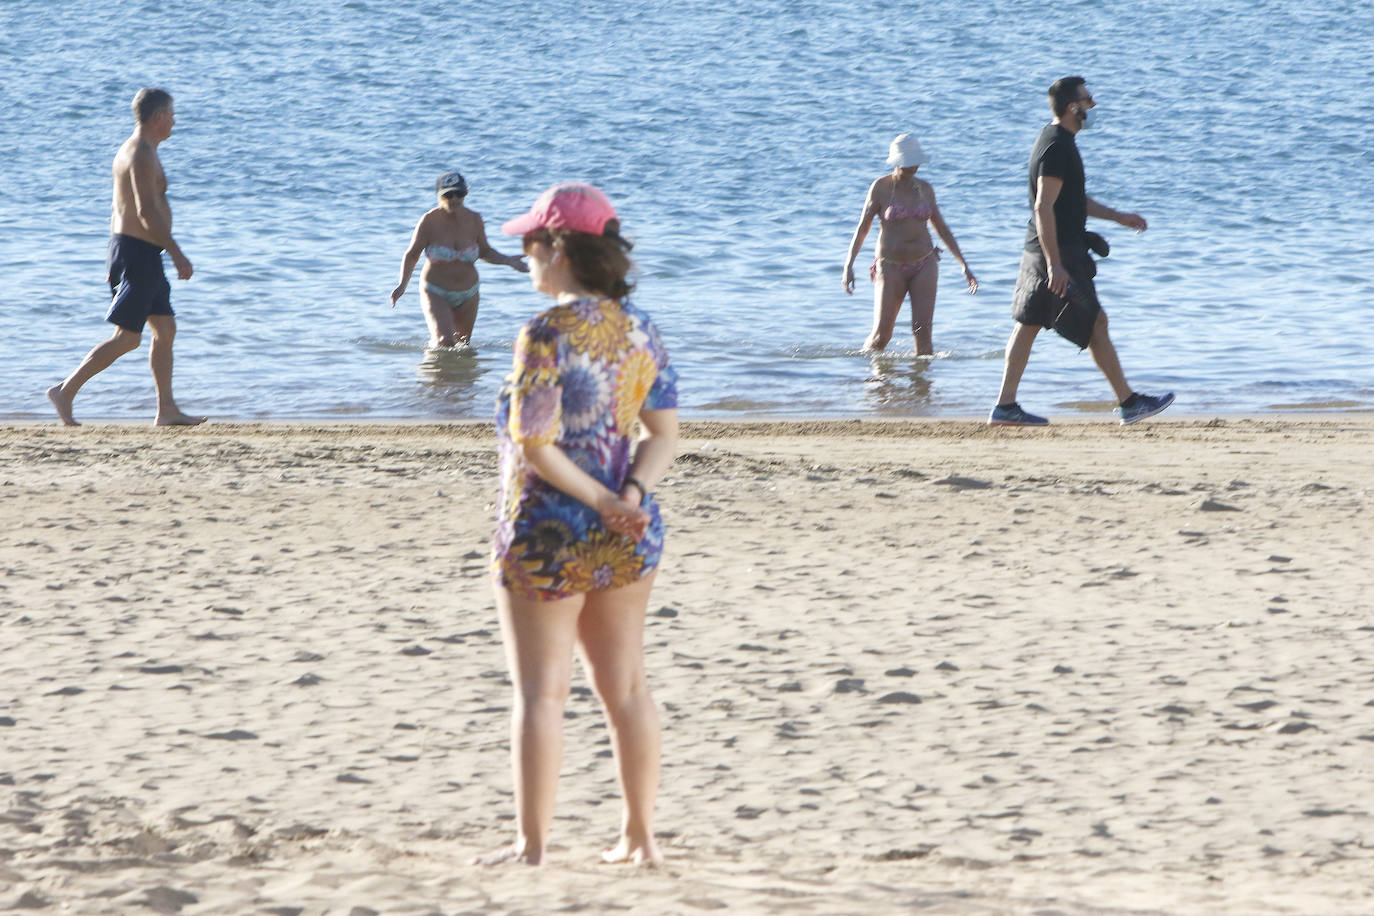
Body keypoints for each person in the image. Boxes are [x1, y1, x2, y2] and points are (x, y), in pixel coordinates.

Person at [480, 182, 679, 867]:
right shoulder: (640, 327)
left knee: (540, 693)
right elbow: (665, 434)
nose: (524, 255)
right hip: (630, 529)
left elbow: (536, 446)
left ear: (558, 250)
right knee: (626, 687)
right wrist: (629, 493)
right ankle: (640, 838)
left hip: (546, 531)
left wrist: (599, 501)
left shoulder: (542, 334)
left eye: (531, 243)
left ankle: (532, 848)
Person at [989, 77, 1175, 426]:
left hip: (1045, 252)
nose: (1094, 106)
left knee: (1028, 324)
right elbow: (1044, 206)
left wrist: (1118, 216)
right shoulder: (1058, 147)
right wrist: (1055, 264)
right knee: (1094, 322)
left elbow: (1071, 200)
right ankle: (1129, 403)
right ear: (1073, 107)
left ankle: (1005, 406)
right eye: (1089, 100)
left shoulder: (1057, 140)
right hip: (1057, 255)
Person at [47, 88, 204, 427]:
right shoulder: (140, 155)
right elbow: (146, 211)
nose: (175, 121)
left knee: (165, 329)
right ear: (159, 117)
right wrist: (177, 253)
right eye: (172, 115)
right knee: (128, 338)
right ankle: (65, 391)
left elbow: (126, 210)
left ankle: (166, 410)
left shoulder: (141, 150)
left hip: (139, 252)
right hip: (137, 254)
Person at [843, 133, 978, 354]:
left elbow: (942, 228)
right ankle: (871, 381)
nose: (912, 167)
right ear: (896, 162)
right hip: (890, 265)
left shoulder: (925, 189)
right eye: (907, 163)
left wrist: (964, 265)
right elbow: (862, 229)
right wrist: (849, 266)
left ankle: (922, 386)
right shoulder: (880, 188)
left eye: (915, 162)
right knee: (881, 336)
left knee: (923, 334)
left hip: (924, 263)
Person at [389, 171, 527, 347]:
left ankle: (460, 375)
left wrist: (509, 261)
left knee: (463, 347)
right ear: (439, 195)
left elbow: (484, 251)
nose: (454, 199)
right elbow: (412, 254)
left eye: (459, 194)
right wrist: (402, 285)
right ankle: (434, 371)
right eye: (448, 195)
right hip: (436, 291)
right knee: (445, 342)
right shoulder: (429, 221)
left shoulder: (474, 219)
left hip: (469, 293)